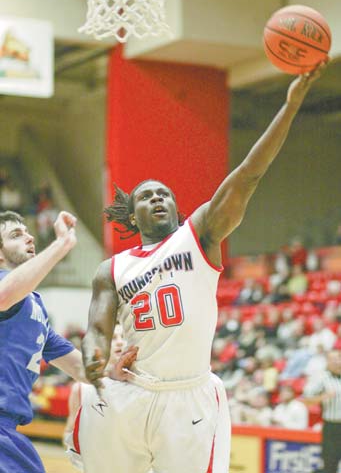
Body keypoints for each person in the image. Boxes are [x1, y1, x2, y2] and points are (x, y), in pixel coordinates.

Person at [80, 66, 325, 473]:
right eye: (146, 196)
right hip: (132, 389)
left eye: (164, 194)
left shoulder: (198, 236)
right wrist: (94, 360)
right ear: (133, 215)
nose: (157, 198)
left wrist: (290, 103)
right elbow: (98, 332)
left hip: (188, 396)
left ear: (177, 210)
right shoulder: (111, 269)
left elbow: (248, 174)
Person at [0, 210, 136, 473]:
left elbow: (78, 368)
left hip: (8, 430)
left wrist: (110, 371)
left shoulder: (35, 307)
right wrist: (61, 244)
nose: (29, 238)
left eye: (28, 232)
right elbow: (5, 297)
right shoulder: (6, 291)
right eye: (16, 235)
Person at [64, 324, 126, 470]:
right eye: (113, 338)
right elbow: (70, 430)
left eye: (123, 337)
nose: (119, 342)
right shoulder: (82, 388)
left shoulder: (143, 384)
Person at [303, 350, 341, 473]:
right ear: (327, 362)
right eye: (333, 359)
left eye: (339, 358)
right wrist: (323, 397)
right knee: (330, 464)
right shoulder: (322, 378)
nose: (337, 362)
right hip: (332, 426)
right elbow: (306, 400)